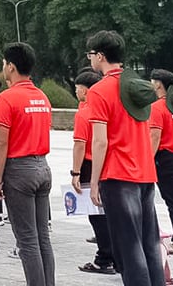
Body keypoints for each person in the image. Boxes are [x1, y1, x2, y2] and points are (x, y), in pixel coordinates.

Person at [82, 30, 162, 286]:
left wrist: (94, 182)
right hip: (145, 172)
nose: (90, 59)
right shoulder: (137, 86)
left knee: (128, 248)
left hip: (118, 175)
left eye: (91, 54)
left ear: (101, 56)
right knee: (149, 243)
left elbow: (100, 140)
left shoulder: (99, 91)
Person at [0, 42, 54, 286]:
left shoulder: (7, 98)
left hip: (20, 170)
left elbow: (1, 142)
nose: (3, 68)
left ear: (11, 66)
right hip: (42, 167)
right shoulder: (42, 96)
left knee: (27, 240)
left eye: (4, 63)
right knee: (42, 238)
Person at [71, 68, 114, 275]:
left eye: (78, 88)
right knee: (109, 213)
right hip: (107, 163)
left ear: (87, 90)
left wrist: (75, 172)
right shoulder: (109, 108)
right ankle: (114, 256)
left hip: (89, 165)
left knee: (96, 215)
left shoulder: (85, 112)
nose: (76, 92)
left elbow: (80, 145)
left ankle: (104, 258)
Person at [150, 69, 173, 254]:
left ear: (158, 84)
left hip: (167, 158)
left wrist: (147, 159)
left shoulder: (157, 107)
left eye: (152, 81)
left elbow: (155, 136)